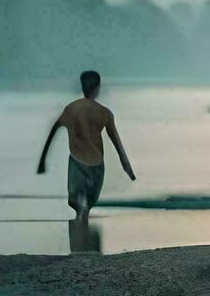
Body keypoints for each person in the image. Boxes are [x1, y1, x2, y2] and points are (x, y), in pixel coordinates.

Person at [36, 70, 135, 220]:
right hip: (97, 165)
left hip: (78, 162)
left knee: (78, 201)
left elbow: (53, 131)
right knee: (88, 203)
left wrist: (42, 161)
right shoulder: (105, 113)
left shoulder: (71, 110)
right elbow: (117, 143)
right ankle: (85, 232)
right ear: (98, 88)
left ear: (82, 88)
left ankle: (81, 229)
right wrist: (127, 167)